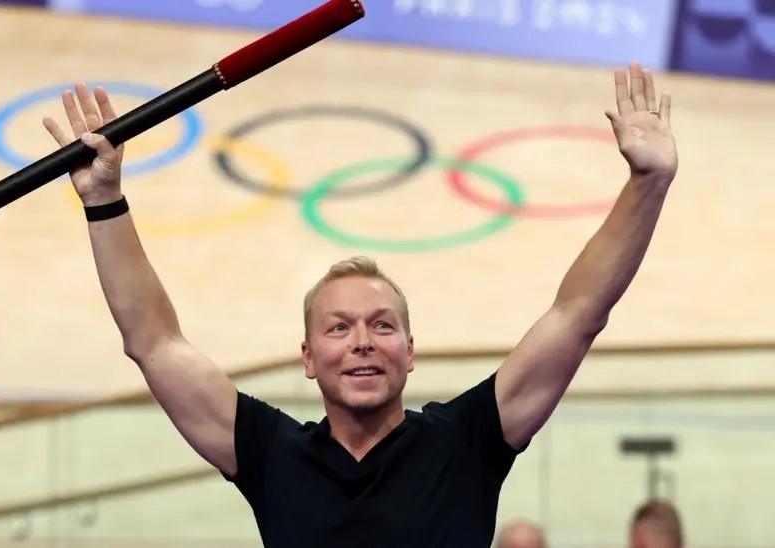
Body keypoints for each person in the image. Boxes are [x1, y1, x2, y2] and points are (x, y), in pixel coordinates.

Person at [41, 61, 678, 547]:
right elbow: (153, 342)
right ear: (309, 358)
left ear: (410, 351)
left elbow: (577, 315)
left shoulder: (467, 443)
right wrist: (103, 200)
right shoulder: (269, 453)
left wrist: (647, 183)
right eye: (338, 328)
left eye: (382, 325)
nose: (363, 340)